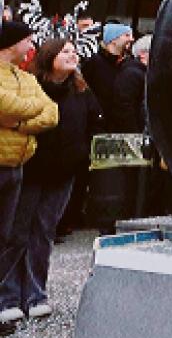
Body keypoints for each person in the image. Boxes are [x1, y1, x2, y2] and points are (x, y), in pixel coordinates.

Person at [0, 37, 98, 322]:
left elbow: (92, 121)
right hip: (32, 168)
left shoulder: (82, 89)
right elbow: (28, 118)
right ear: (49, 56)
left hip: (63, 172)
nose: (72, 54)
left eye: (74, 51)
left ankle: (36, 294)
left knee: (44, 232)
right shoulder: (31, 84)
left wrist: (82, 156)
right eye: (65, 51)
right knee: (17, 232)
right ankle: (8, 295)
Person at [0, 20, 59, 324]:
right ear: (13, 43)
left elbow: (51, 112)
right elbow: (4, 103)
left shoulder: (24, 77)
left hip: (16, 165)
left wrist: (18, 123)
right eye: (28, 40)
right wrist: (26, 108)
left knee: (7, 238)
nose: (32, 46)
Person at [81, 22, 131, 116]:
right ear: (113, 39)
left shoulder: (126, 63)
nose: (131, 39)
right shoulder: (94, 62)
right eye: (126, 35)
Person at [111, 35, 150, 136]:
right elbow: (124, 107)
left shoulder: (140, 71)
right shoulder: (132, 73)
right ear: (142, 54)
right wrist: (135, 134)